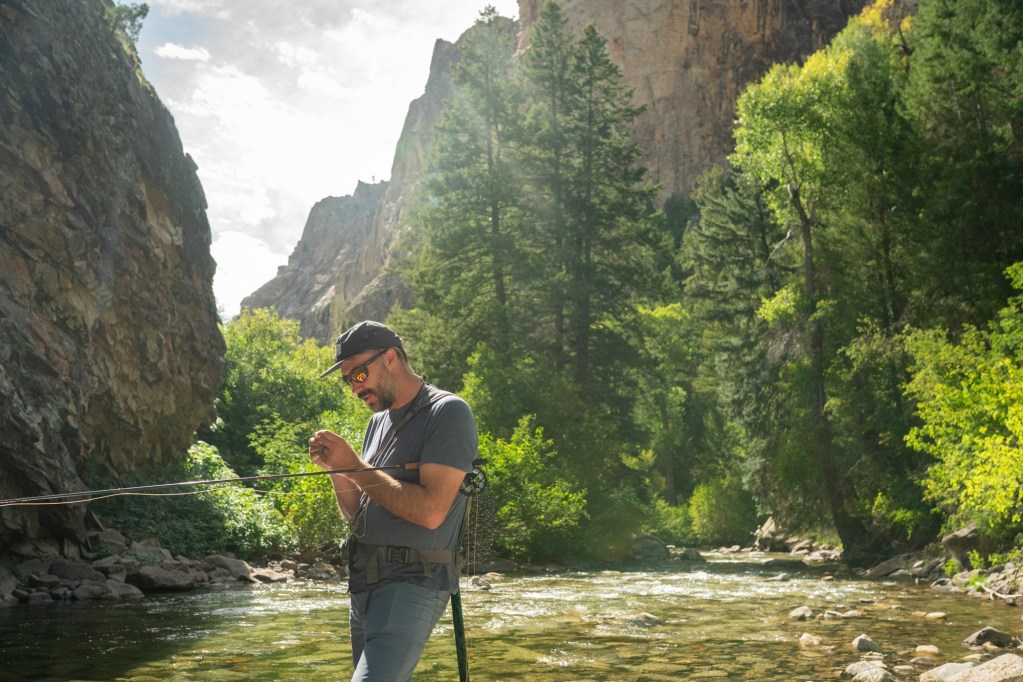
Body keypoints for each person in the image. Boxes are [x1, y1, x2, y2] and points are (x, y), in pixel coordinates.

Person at [308, 320, 478, 682]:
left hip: (413, 580)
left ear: (390, 358)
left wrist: (354, 466)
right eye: (347, 380)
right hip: (365, 583)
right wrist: (337, 470)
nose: (354, 388)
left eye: (358, 375)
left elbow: (432, 512)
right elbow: (358, 518)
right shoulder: (377, 423)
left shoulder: (447, 412)